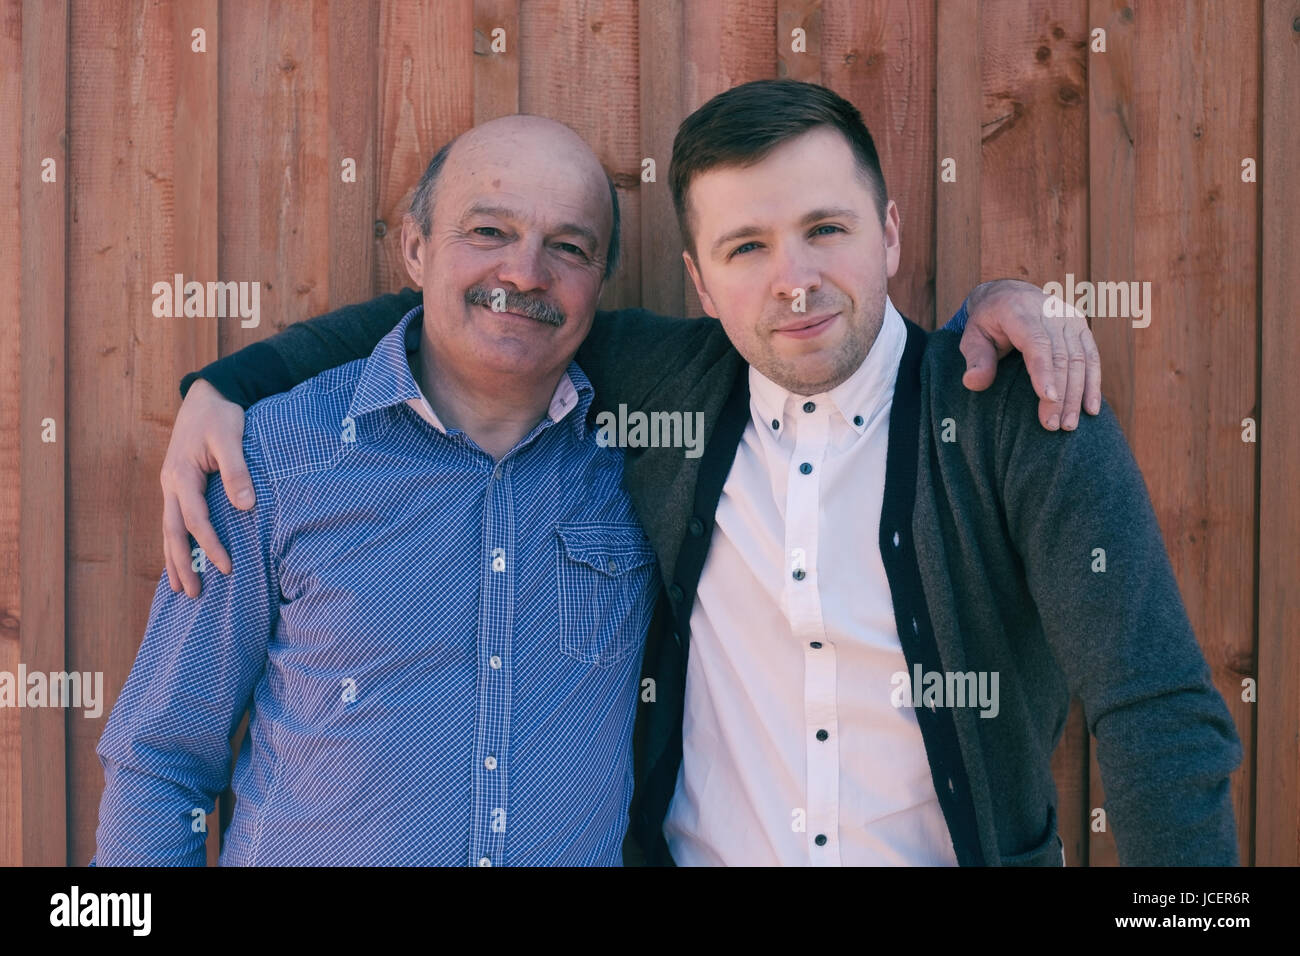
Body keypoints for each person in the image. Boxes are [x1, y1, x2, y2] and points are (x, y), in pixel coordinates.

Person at [140, 86, 1140, 867]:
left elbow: (860, 355)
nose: (525, 269)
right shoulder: (268, 457)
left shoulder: (637, 435)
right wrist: (226, 384)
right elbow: (157, 757)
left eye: (567, 247)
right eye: (488, 229)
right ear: (413, 244)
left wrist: (997, 307)